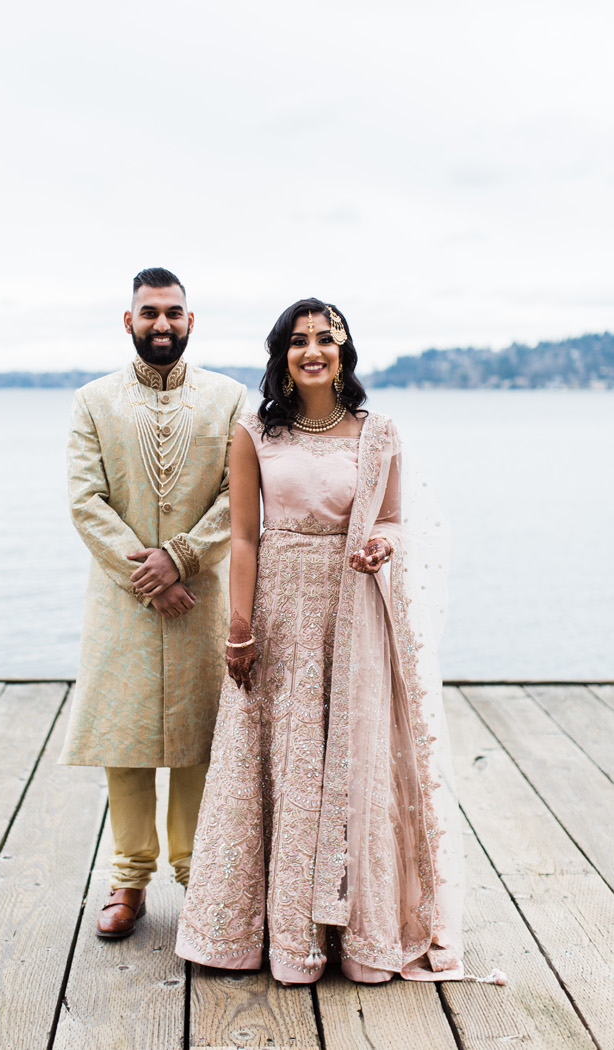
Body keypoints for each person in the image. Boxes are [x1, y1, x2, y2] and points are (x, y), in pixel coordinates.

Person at [175, 298, 462, 983]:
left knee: (352, 755)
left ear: (344, 352)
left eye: (325, 339)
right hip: (278, 608)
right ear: (281, 356)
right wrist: (238, 630)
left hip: (352, 609)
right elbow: (245, 536)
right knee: (278, 761)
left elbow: (393, 521)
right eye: (299, 341)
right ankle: (273, 938)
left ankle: (357, 939)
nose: (313, 350)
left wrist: (377, 548)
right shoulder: (255, 433)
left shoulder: (377, 433)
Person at [60, 267, 248, 940]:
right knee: (127, 742)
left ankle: (199, 873)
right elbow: (86, 501)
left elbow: (239, 496)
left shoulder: (229, 399)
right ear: (129, 321)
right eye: (149, 313)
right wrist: (147, 571)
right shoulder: (94, 401)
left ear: (190, 321)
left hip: (199, 596)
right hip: (124, 599)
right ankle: (128, 879)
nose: (161, 324)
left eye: (172, 313)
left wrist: (183, 559)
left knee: (201, 737)